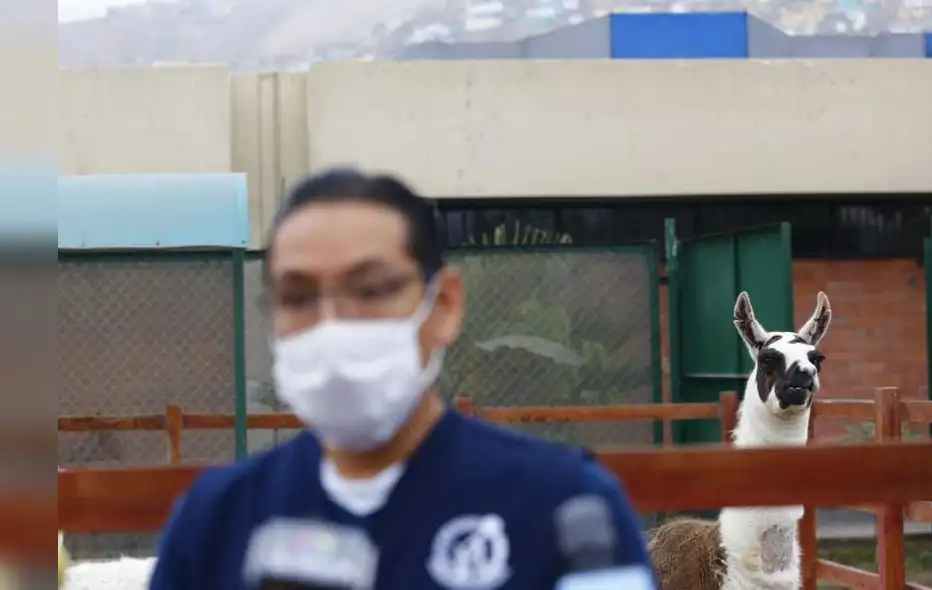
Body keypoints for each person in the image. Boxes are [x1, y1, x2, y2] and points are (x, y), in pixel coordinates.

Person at [149, 168, 652, 589]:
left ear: (445, 305)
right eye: (298, 297)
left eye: (370, 289)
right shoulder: (215, 520)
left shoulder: (571, 513)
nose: (333, 326)